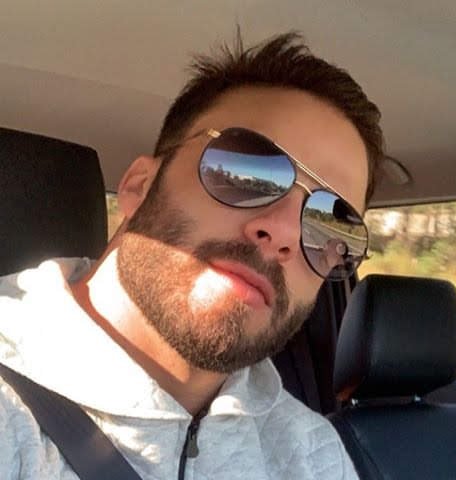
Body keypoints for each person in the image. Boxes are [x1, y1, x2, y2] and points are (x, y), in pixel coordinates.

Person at [0, 32, 384, 479]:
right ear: (140, 187)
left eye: (331, 225)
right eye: (245, 171)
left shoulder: (313, 453)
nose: (284, 232)